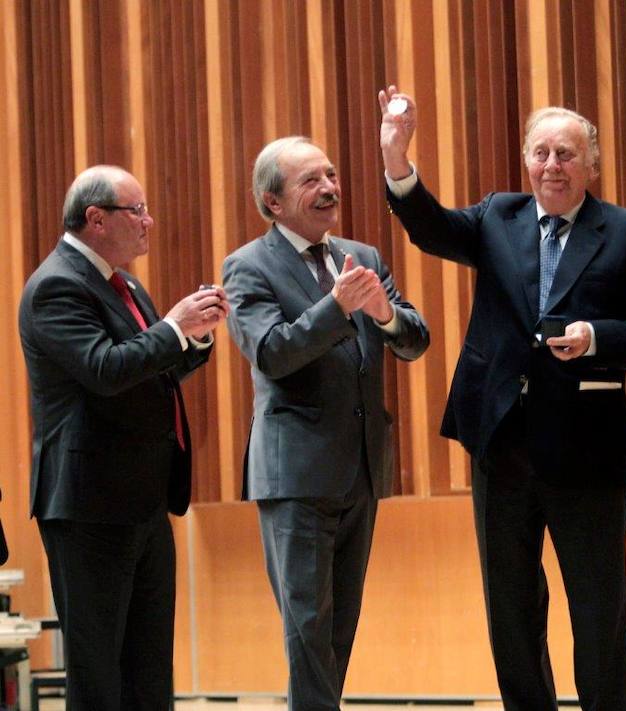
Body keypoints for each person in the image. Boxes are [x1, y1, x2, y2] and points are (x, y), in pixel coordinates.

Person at [379, 87, 626, 710]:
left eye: (566, 153)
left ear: (591, 165)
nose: (552, 165)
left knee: (598, 609)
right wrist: (397, 160)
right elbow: (431, 229)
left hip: (586, 450)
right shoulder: (497, 216)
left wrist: (596, 336)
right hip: (502, 444)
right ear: (526, 161)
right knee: (510, 610)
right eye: (541, 153)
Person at [223, 136, 429, 710]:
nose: (330, 188)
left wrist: (385, 315)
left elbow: (415, 340)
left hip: (360, 467)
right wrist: (335, 307)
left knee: (339, 630)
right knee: (307, 629)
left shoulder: (359, 254)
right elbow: (271, 353)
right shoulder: (247, 266)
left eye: (332, 175)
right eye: (311, 180)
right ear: (273, 202)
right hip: (295, 474)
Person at [18, 165, 227, 711]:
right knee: (99, 673)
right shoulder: (56, 286)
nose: (148, 222)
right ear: (96, 218)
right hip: (89, 506)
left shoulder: (124, 282)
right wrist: (175, 326)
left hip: (143, 500)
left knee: (149, 665)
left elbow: (148, 373)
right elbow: (105, 370)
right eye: (137, 211)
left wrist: (195, 341)